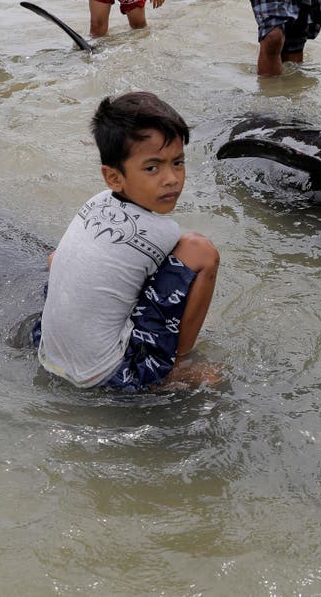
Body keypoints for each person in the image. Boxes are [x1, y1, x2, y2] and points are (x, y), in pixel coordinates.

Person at [35, 92, 220, 391]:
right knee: (200, 251)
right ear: (114, 177)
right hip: (114, 375)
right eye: (152, 168)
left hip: (47, 350)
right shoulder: (164, 231)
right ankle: (177, 366)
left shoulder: (96, 202)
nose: (171, 179)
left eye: (178, 162)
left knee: (60, 257)